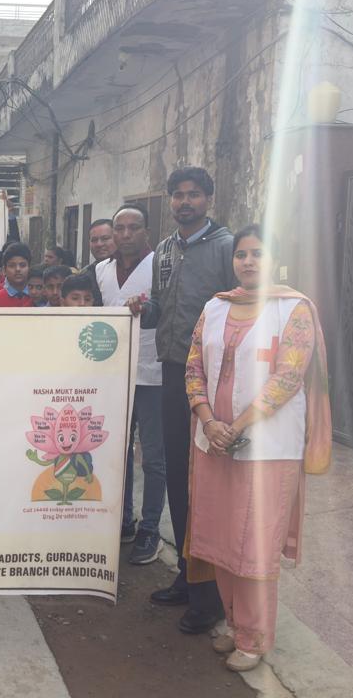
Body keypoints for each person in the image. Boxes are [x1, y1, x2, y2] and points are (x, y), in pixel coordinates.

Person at [183, 224, 331, 672]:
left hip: (267, 449)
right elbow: (193, 367)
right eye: (241, 254)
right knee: (220, 538)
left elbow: (288, 377)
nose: (248, 262)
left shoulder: (294, 309)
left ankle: (255, 637)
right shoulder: (215, 306)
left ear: (275, 260)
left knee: (254, 544)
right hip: (212, 444)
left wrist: (235, 426)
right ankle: (234, 624)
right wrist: (209, 420)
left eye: (258, 254)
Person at [132, 166, 235, 635]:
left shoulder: (227, 248)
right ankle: (189, 576)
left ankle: (211, 595)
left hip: (214, 380)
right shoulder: (165, 250)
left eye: (194, 194)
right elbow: (159, 307)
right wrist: (144, 308)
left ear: (209, 198)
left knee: (207, 484)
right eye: (177, 195)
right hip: (174, 372)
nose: (184, 202)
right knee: (178, 476)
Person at [97, 204, 165, 565]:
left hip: (152, 374)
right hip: (114, 376)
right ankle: (123, 520)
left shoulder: (160, 267)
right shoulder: (101, 270)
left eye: (133, 228)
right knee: (116, 452)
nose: (125, 235)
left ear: (146, 232)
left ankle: (150, 529)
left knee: (153, 458)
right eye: (119, 228)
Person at [0, 242, 35, 308]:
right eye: (12, 266)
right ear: (4, 270)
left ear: (29, 268)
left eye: (22, 265)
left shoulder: (38, 295)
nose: (18, 269)